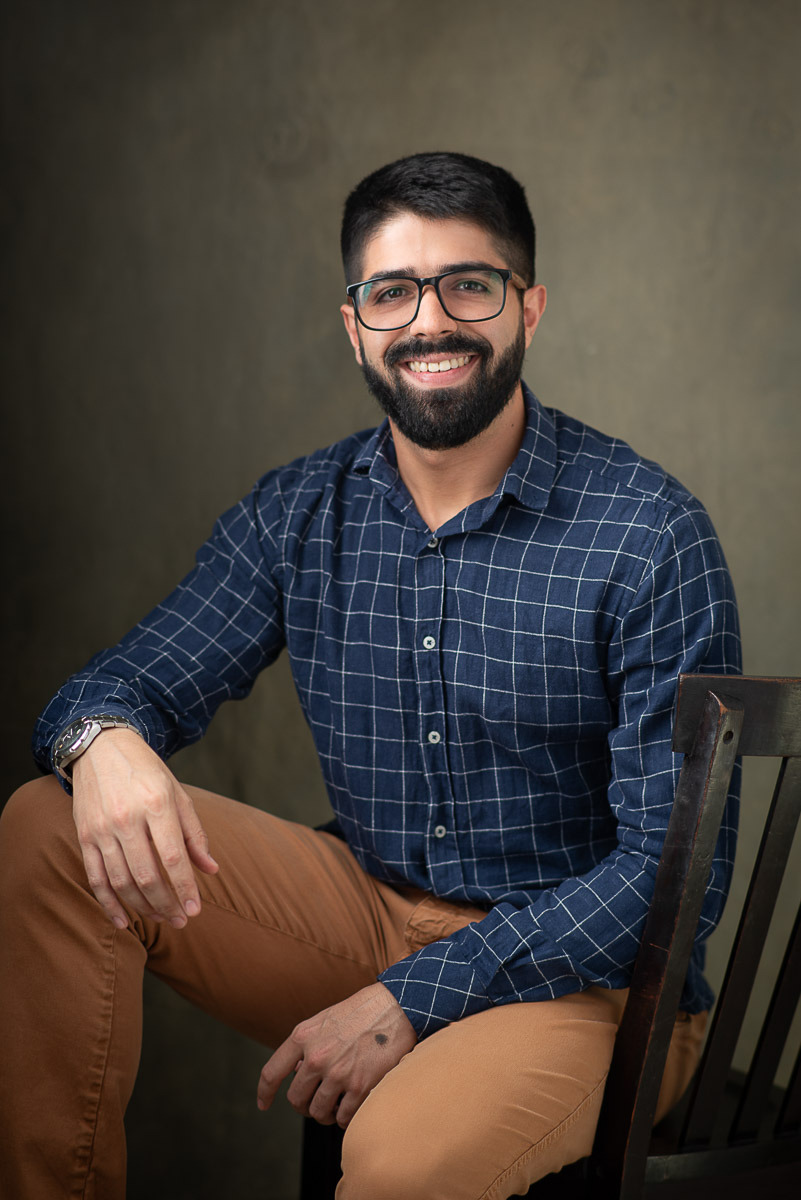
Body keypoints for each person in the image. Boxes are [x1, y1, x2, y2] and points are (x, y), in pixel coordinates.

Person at [0, 152, 741, 1200]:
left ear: (528, 307)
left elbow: (676, 885)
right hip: (363, 915)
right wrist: (104, 740)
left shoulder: (648, 532)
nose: (429, 322)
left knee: (393, 1163)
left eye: (468, 285)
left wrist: (420, 992)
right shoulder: (301, 510)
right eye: (393, 292)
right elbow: (116, 684)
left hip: (598, 984)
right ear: (355, 325)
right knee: (46, 827)